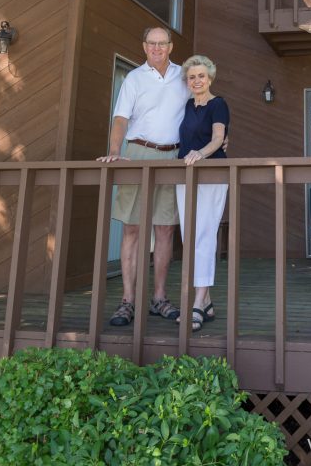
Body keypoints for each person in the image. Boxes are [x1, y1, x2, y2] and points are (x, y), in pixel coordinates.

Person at [97, 26, 188, 326]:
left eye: (163, 43)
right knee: (132, 229)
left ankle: (159, 298)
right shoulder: (134, 78)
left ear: (171, 47)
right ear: (144, 46)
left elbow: (201, 105)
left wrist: (219, 136)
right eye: (152, 43)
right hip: (137, 152)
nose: (157, 48)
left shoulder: (184, 75)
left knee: (165, 230)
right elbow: (121, 118)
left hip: (173, 156)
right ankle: (127, 300)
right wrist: (114, 149)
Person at [175, 54, 229, 332]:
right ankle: (206, 302)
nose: (197, 80)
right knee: (190, 236)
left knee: (205, 235)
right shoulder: (185, 106)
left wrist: (201, 153)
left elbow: (218, 138)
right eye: (192, 77)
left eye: (201, 76)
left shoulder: (218, 104)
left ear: (210, 78)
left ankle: (197, 302)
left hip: (211, 174)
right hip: (185, 175)